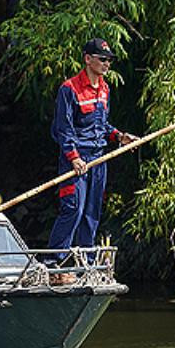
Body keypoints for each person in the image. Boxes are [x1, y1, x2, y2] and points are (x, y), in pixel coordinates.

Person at [48, 39, 136, 279]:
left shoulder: (105, 89)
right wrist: (74, 157)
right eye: (102, 59)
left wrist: (119, 136)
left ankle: (85, 263)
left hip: (99, 158)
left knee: (92, 212)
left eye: (109, 60)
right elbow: (63, 129)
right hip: (75, 159)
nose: (107, 64)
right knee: (73, 210)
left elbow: (101, 125)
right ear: (88, 59)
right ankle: (54, 262)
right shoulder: (69, 89)